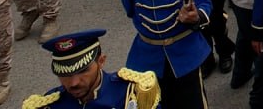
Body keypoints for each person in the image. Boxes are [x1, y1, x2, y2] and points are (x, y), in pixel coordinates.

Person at [22, 29, 162, 109]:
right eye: (65, 75)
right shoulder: (50, 105)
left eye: (82, 71)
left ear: (101, 61)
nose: (73, 82)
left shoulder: (132, 94)